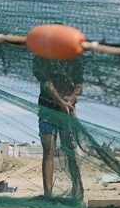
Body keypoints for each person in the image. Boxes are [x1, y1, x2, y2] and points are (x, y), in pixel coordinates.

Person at [34, 54, 84, 198]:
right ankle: (48, 194)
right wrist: (61, 102)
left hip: (68, 111)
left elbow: (79, 84)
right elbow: (46, 83)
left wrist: (71, 98)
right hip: (47, 110)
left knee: (70, 151)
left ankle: (77, 190)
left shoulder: (74, 59)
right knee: (48, 150)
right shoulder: (42, 57)